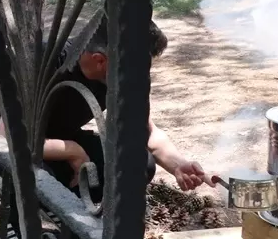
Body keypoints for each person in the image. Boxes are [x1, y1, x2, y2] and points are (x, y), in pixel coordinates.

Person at [40, 14, 214, 206]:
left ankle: (71, 218)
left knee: (138, 163)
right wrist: (73, 151)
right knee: (35, 176)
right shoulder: (45, 61)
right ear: (99, 61)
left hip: (65, 145)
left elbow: (147, 133)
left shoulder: (120, 74)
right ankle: (30, 226)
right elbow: (8, 140)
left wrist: (178, 165)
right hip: (26, 151)